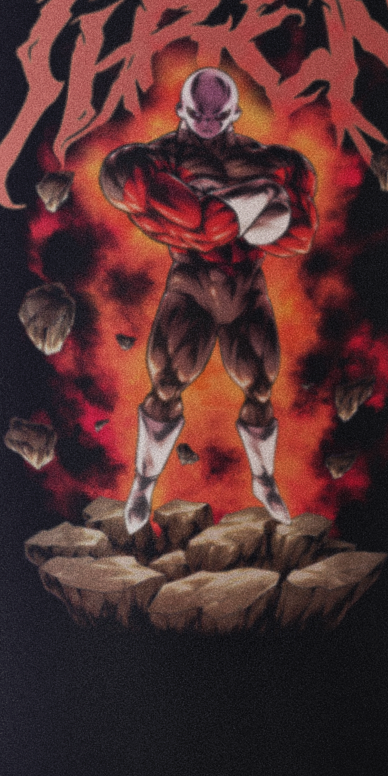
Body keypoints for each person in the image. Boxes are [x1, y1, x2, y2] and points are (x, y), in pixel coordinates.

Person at [99, 68, 315, 535]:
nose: (208, 124)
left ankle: (263, 480)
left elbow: (297, 236)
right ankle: (142, 484)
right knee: (167, 382)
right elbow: (203, 227)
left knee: (260, 386)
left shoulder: (275, 162)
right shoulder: (150, 162)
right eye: (199, 115)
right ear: (182, 111)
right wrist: (259, 198)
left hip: (245, 285)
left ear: (234, 113)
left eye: (217, 117)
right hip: (191, 284)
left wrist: (230, 207)